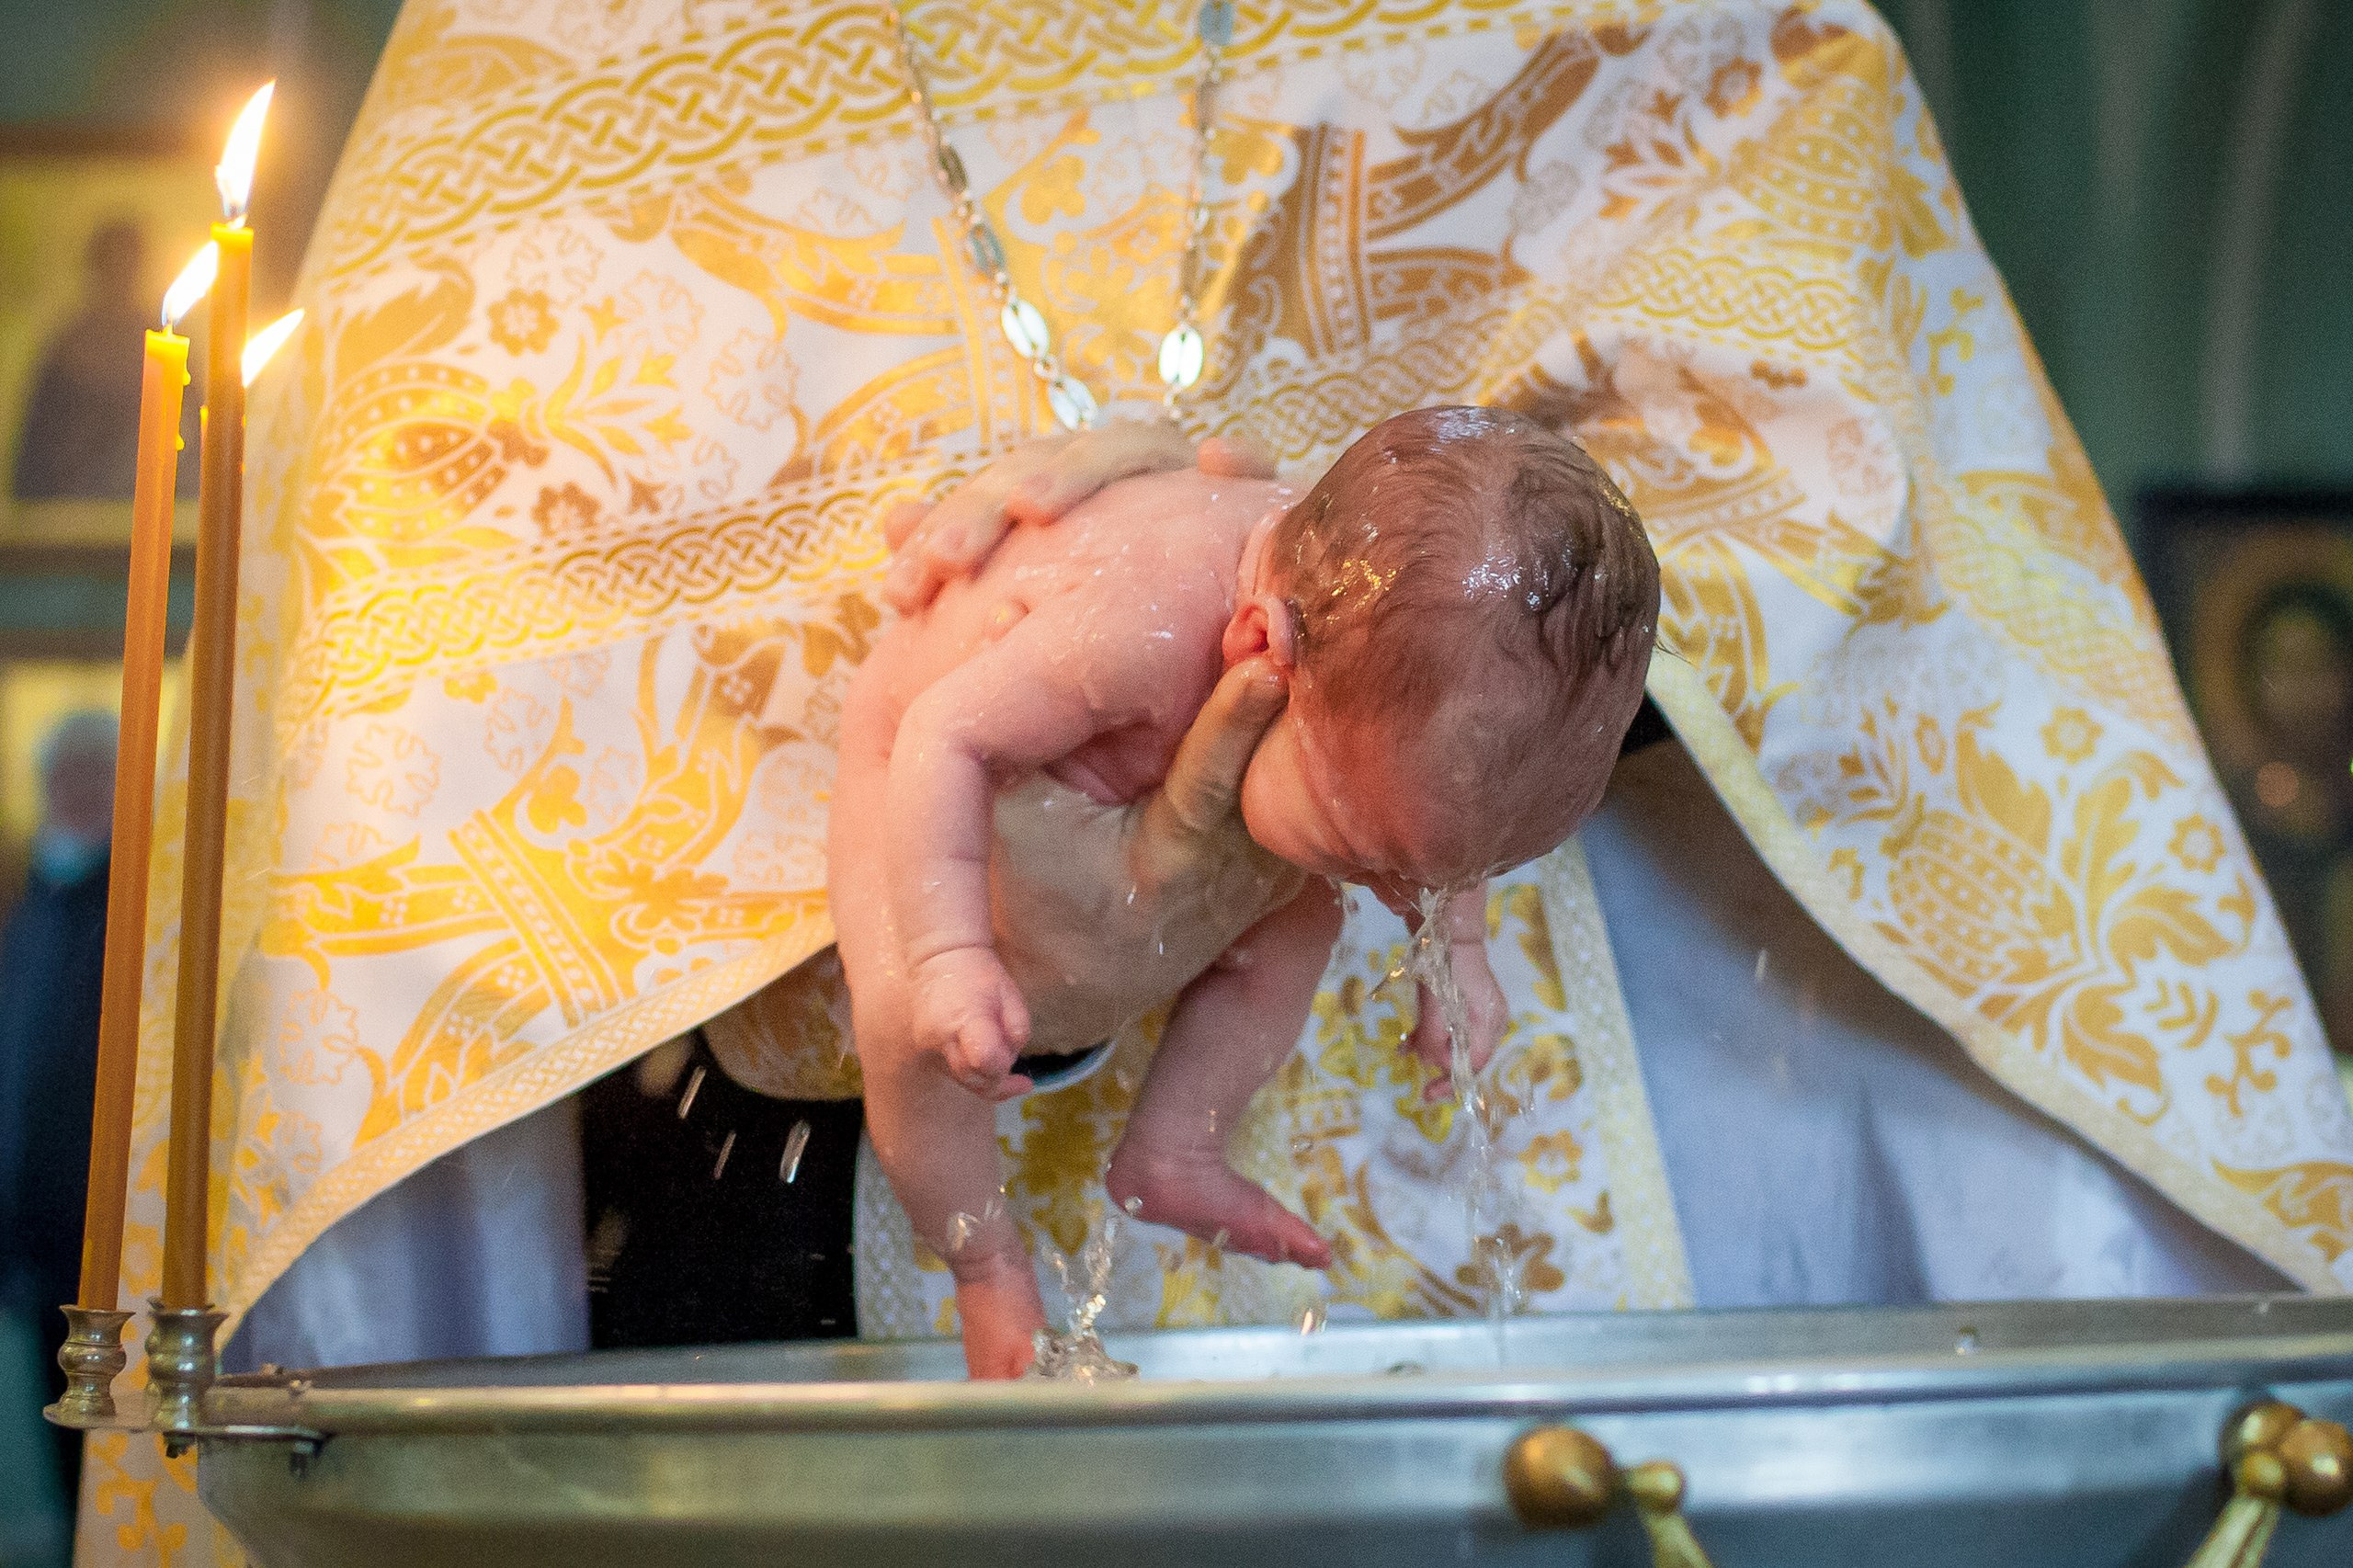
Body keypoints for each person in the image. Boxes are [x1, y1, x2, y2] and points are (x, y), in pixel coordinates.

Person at [835, 409, 1656, 1373]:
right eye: (1373, 848)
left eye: (1442, 876)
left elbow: (1436, 830)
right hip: (918, 755)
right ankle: (983, 1261)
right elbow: (947, 733)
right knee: (904, 1019)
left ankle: (1175, 1151)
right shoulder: (1132, 629)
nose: (1406, 897)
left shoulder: (1389, 662)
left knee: (1303, 906)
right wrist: (950, 954)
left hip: (1104, 768)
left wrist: (1459, 955)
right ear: (1262, 646)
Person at [0, 711, 117, 1506]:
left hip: (102, 1244)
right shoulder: (34, 900)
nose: (71, 793)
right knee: (60, 1465)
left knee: (109, 1463)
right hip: (32, 1244)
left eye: (90, 775)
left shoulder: (132, 905)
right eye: (60, 776)